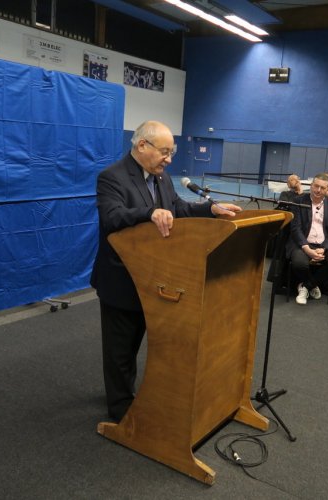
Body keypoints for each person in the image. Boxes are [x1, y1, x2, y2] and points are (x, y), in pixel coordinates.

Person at [91, 120, 242, 422]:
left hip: (155, 278)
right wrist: (149, 213)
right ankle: (121, 413)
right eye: (164, 152)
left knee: (147, 345)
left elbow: (177, 209)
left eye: (171, 153)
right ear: (141, 145)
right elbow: (113, 217)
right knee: (120, 351)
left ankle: (136, 395)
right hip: (122, 277)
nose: (169, 159)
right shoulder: (112, 178)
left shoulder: (162, 179)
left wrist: (209, 209)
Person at [288, 173, 328, 304]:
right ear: (311, 186)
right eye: (316, 186)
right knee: (299, 264)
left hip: (323, 244)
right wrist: (306, 248)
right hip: (303, 243)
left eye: (322, 188)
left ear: (327, 189)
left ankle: (306, 287)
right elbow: (295, 228)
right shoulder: (299, 201)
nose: (318, 190)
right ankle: (312, 285)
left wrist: (324, 248)